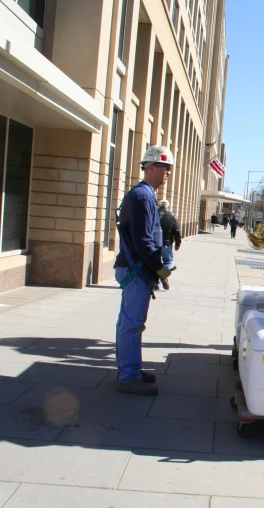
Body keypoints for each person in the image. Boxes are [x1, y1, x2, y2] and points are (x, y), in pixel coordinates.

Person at [113, 145, 174, 395]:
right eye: (165, 167)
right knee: (132, 324)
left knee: (130, 323)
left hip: (135, 268)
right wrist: (159, 268)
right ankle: (128, 376)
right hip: (135, 269)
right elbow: (143, 240)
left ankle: (131, 370)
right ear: (151, 168)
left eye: (169, 168)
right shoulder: (142, 196)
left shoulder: (145, 195)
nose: (168, 173)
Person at [157, 199, 181, 291]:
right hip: (166, 243)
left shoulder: (153, 213)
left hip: (153, 243)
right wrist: (178, 243)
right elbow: (177, 231)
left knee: (153, 262)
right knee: (168, 261)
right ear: (168, 206)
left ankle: (156, 282)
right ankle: (163, 276)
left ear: (159, 205)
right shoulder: (172, 215)